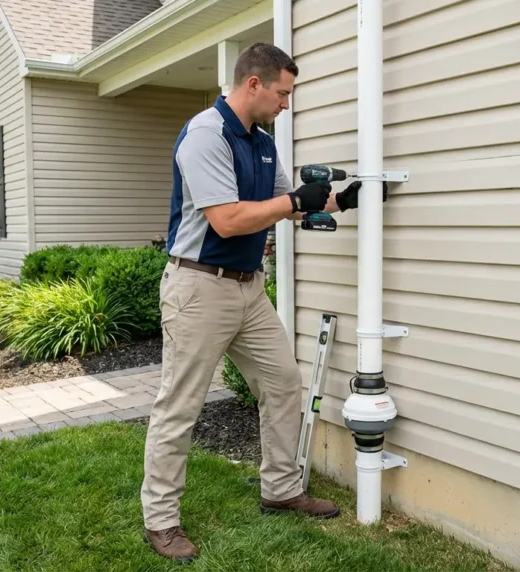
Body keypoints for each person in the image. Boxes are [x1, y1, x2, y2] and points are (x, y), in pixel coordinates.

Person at [140, 42, 383, 563]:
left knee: (282, 382)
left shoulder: (264, 142)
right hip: (198, 286)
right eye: (283, 93)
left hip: (248, 288)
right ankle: (160, 520)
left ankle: (280, 488)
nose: (286, 103)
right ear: (254, 84)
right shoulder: (206, 135)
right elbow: (228, 219)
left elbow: (283, 206)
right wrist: (294, 200)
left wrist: (343, 199)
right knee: (179, 406)